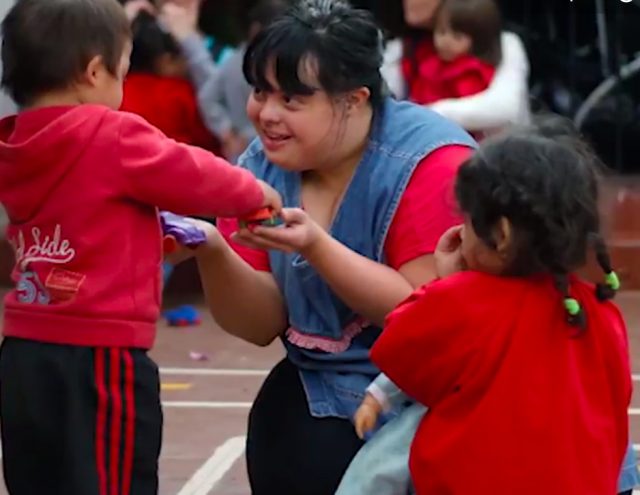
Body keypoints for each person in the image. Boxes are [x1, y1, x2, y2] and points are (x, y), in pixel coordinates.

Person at [168, 0, 476, 493]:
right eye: (259, 92)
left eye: (291, 100)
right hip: (320, 386)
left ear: (353, 100)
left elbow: (427, 321)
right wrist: (212, 250)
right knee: (283, 415)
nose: (265, 114)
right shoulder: (255, 168)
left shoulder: (432, 164)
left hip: (426, 393)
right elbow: (259, 325)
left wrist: (316, 246)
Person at [0, 0, 280, 493]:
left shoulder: (14, 143)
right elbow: (191, 172)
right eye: (123, 71)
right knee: (115, 480)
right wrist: (255, 191)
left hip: (24, 349)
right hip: (99, 354)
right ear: (92, 72)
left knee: (39, 478)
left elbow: (85, 208)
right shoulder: (110, 132)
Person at [370, 117, 632, 494]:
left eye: (469, 220)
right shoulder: (599, 311)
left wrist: (446, 282)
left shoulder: (462, 302)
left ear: (501, 234)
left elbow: (400, 353)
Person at [160, 0, 289, 160]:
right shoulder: (239, 60)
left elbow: (207, 96)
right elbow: (207, 96)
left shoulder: (235, 59)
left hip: (244, 148)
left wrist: (225, 130)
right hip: (257, 147)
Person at [382, 0, 530, 134]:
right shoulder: (401, 48)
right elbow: (382, 104)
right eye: (441, 32)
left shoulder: (505, 43)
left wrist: (425, 115)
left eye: (457, 36)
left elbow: (504, 108)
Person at [121, 9, 220, 151]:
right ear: (165, 61)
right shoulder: (178, 92)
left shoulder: (119, 89)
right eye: (183, 58)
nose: (186, 65)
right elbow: (208, 139)